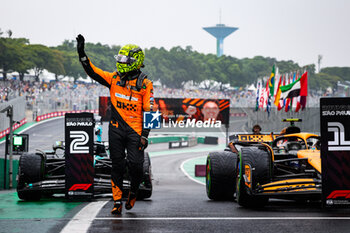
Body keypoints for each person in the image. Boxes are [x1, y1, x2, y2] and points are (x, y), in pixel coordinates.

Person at [76, 35, 154, 215]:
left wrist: (145, 135)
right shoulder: (113, 78)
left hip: (136, 131)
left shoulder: (146, 84)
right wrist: (82, 54)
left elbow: (150, 112)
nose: (122, 62)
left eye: (125, 59)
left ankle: (133, 191)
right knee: (117, 165)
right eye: (121, 59)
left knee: (135, 165)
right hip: (116, 129)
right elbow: (93, 71)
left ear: (135, 61)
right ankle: (117, 201)